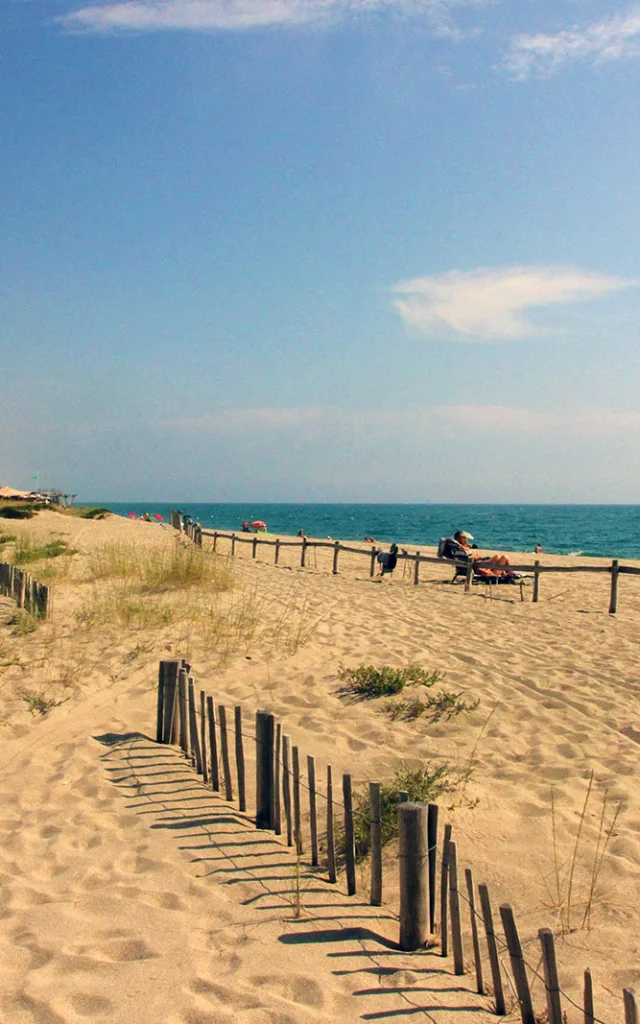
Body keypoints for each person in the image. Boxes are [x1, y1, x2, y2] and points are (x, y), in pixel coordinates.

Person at [443, 531, 510, 575]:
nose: (466, 540)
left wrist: (467, 546)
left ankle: (504, 572)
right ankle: (507, 573)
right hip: (477, 566)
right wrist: (479, 557)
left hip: (473, 565)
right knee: (502, 557)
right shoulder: (462, 549)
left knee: (498, 557)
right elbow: (473, 558)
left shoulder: (457, 549)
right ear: (461, 539)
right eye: (465, 538)